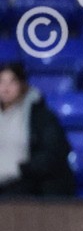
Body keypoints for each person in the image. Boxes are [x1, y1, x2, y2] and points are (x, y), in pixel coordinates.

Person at [0, 61, 75, 198]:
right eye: (1, 82)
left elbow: (54, 153)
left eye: (12, 82)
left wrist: (22, 169)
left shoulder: (41, 116)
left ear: (22, 85)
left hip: (29, 186)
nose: (6, 88)